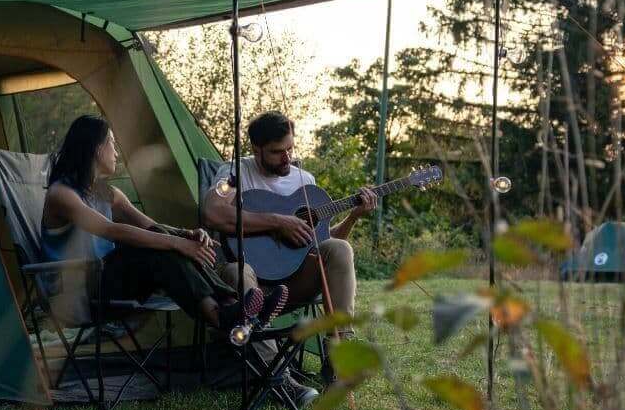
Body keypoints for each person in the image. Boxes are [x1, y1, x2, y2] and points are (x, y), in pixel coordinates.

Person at [41, 115, 288, 333]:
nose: (117, 152)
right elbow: (110, 230)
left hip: (106, 281)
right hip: (77, 294)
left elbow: (150, 226)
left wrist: (187, 235)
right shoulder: (62, 194)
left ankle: (234, 309)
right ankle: (225, 313)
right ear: (96, 148)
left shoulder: (109, 193)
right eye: (112, 144)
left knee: (163, 244)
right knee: (162, 250)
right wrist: (177, 243)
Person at [201, 110, 377, 381]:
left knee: (340, 249)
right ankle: (280, 377)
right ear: (256, 149)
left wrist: (353, 216)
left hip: (293, 284)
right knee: (238, 270)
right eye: (276, 152)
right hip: (252, 288)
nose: (287, 158)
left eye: (290, 149)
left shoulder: (304, 182)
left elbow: (322, 243)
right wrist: (277, 222)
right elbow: (213, 211)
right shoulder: (234, 173)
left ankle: (338, 358)